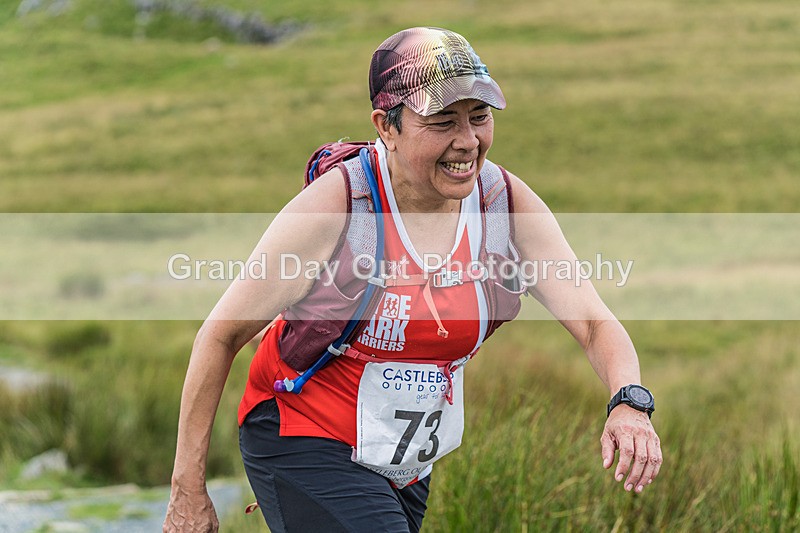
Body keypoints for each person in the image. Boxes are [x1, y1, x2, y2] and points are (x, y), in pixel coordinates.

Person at [163, 27, 662, 533]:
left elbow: (595, 324)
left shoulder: (502, 205)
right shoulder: (338, 208)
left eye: (480, 117)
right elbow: (220, 335)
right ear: (387, 126)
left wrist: (630, 402)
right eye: (442, 121)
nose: (467, 141)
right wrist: (187, 490)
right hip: (300, 432)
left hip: (404, 463)